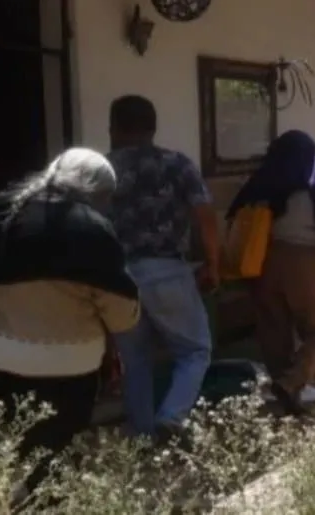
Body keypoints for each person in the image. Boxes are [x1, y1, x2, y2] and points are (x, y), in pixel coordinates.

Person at [0, 148, 139, 495]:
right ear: (98, 193)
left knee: (9, 447)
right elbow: (122, 314)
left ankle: (10, 498)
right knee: (57, 453)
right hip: (70, 368)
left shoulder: (1, 210)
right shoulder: (92, 229)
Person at [106, 95, 220, 440]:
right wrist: (214, 264)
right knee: (195, 350)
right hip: (165, 270)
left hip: (116, 276)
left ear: (113, 128)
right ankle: (171, 417)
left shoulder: (100, 170)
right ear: (153, 128)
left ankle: (141, 436)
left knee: (135, 361)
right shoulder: (176, 164)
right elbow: (205, 216)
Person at [227, 130, 315, 416]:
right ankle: (290, 383)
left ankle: (284, 393)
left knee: (274, 330)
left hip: (262, 263)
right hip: (305, 262)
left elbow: (233, 216)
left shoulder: (261, 183)